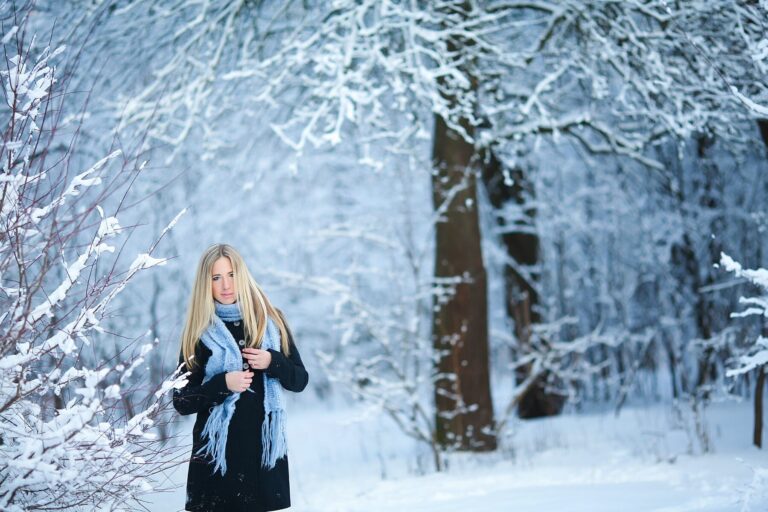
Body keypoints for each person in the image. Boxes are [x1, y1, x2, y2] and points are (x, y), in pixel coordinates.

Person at [173, 243, 309, 512]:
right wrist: (222, 384)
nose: (226, 285)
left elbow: (299, 380)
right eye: (216, 277)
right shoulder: (199, 332)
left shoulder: (269, 321)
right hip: (216, 461)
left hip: (261, 458)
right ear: (206, 283)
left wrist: (273, 361)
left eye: (231, 274)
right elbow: (182, 401)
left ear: (242, 275)